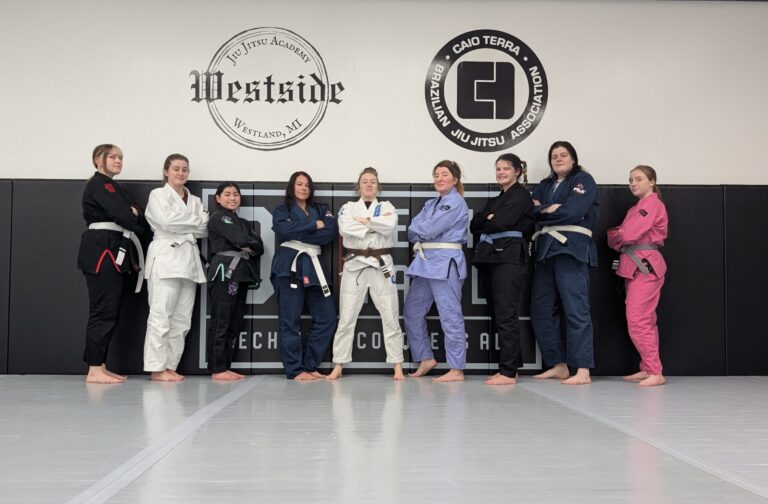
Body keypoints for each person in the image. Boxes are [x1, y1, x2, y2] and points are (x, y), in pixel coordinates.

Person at [530, 141, 599, 385]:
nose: (558, 159)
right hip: (546, 251)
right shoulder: (544, 185)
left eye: (563, 155)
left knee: (575, 308)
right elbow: (531, 213)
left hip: (571, 250)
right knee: (540, 308)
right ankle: (558, 364)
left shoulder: (583, 180)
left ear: (573, 158)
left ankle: (582, 368)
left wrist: (545, 211)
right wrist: (549, 209)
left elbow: (573, 212)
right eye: (554, 156)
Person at [328, 167, 405, 381]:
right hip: (355, 265)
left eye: (373, 181)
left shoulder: (387, 206)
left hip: (382, 265)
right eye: (365, 181)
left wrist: (366, 222)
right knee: (346, 318)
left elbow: (389, 227)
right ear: (358, 186)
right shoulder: (348, 207)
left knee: (390, 316)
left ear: (378, 186)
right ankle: (338, 364)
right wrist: (373, 227)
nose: (369, 184)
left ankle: (397, 365)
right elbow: (345, 229)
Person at [77, 144, 146, 384]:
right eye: (113, 156)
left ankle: (100, 364)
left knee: (110, 310)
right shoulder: (99, 184)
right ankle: (94, 369)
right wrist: (131, 212)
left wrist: (132, 212)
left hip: (114, 246)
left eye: (121, 157)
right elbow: (126, 214)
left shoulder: (113, 186)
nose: (118, 161)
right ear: (98, 160)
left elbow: (136, 214)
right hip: (101, 250)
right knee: (103, 310)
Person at [142, 154, 208, 382]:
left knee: (182, 320)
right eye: (176, 169)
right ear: (166, 171)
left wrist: (183, 221)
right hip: (165, 258)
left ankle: (169, 365)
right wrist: (192, 221)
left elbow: (203, 229)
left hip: (188, 260)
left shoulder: (196, 200)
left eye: (185, 169)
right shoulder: (158, 195)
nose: (181, 173)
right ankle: (155, 367)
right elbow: (167, 223)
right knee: (161, 315)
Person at [470, 153, 534, 385]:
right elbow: (475, 224)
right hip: (491, 258)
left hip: (509, 258)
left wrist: (488, 218)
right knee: (498, 314)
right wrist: (488, 217)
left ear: (517, 171)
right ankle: (510, 366)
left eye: (506, 168)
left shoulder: (521, 195)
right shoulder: (498, 198)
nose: (501, 172)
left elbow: (500, 222)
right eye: (498, 169)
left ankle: (508, 372)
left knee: (506, 313)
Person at [403, 160, 469, 382]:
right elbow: (412, 230)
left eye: (444, 174)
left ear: (455, 179)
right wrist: (423, 230)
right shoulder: (430, 204)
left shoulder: (456, 201)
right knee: (412, 311)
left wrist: (424, 229)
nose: (439, 178)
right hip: (424, 262)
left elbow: (428, 228)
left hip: (445, 262)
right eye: (436, 175)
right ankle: (425, 358)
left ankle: (457, 368)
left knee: (450, 314)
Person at [271, 172, 338, 381]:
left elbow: (329, 232)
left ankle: (309, 365)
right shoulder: (282, 209)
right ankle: (294, 369)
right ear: (292, 187)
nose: (303, 188)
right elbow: (282, 228)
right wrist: (312, 225)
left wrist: (298, 229)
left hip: (314, 266)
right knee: (290, 321)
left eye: (307, 185)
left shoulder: (321, 209)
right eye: (299, 184)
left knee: (327, 318)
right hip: (289, 265)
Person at [607, 166, 668, 387]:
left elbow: (626, 234)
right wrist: (619, 236)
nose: (633, 183)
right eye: (630, 179)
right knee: (646, 320)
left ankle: (655, 371)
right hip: (634, 266)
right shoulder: (636, 208)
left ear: (652, 182)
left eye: (639, 179)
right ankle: (648, 367)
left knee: (639, 320)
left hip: (645, 266)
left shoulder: (653, 205)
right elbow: (615, 238)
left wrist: (619, 235)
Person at [207, 182, 264, 381]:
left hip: (240, 273)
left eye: (236, 194)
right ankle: (217, 368)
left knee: (233, 321)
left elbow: (258, 246)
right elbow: (241, 240)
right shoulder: (219, 217)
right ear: (218, 198)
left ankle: (225, 366)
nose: (233, 198)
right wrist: (246, 244)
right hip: (224, 271)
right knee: (221, 320)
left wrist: (248, 244)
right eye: (228, 194)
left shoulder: (242, 221)